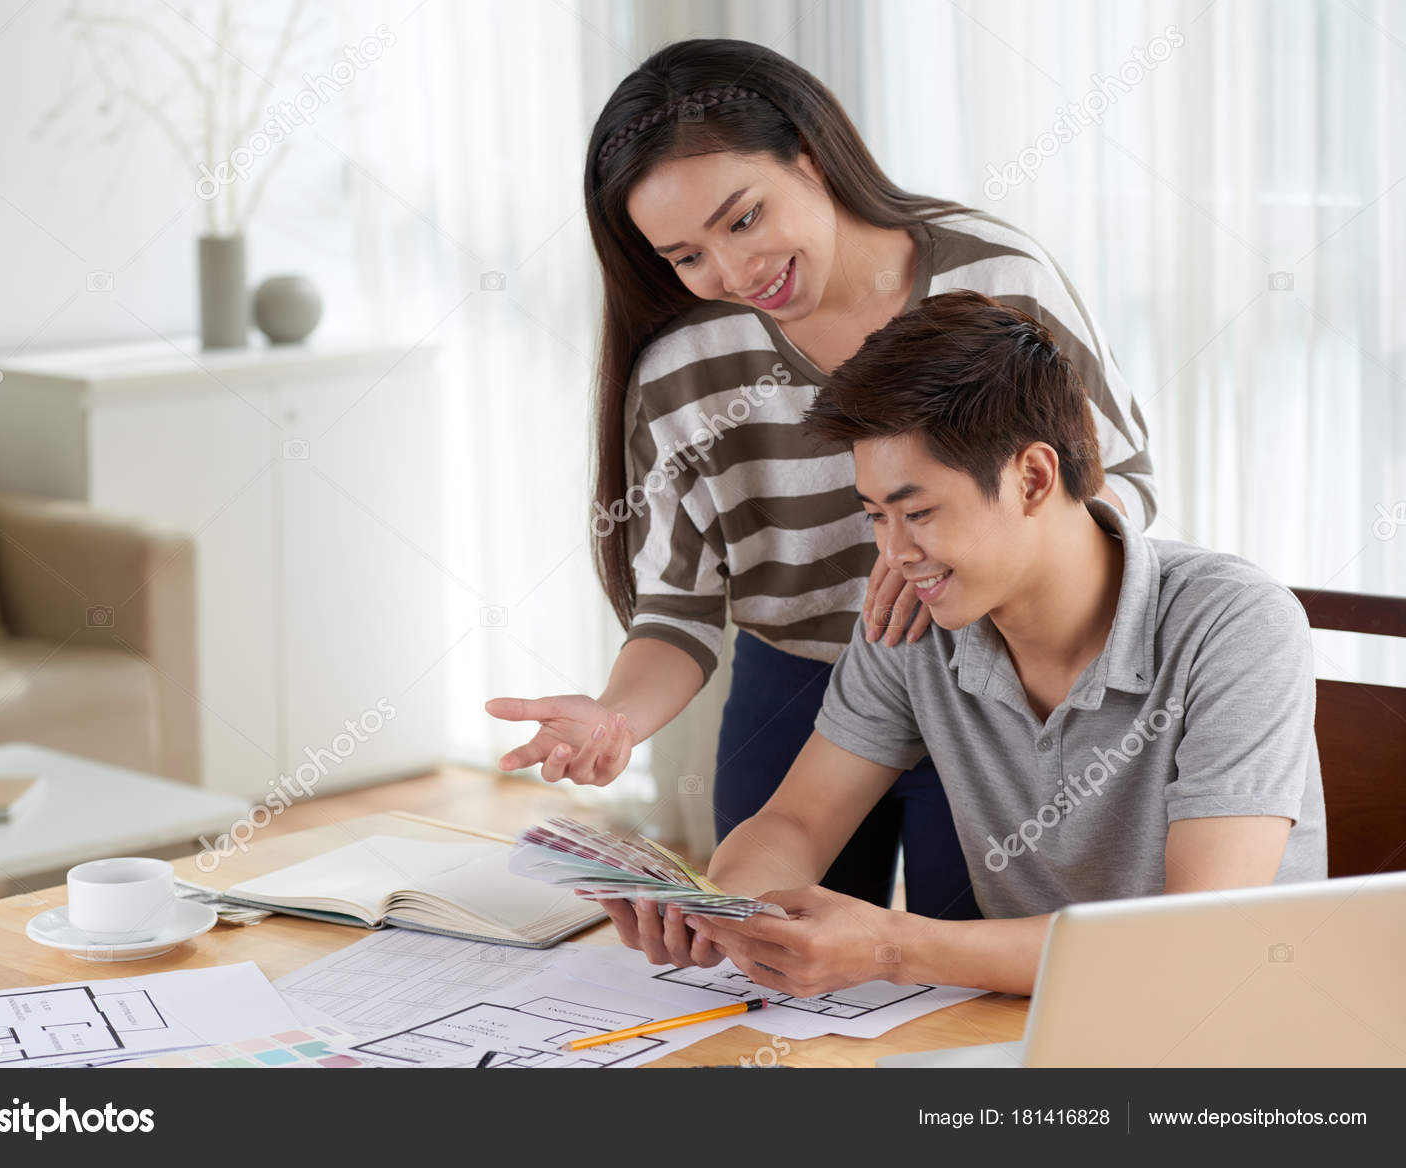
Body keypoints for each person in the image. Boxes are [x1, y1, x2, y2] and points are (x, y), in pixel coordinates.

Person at [486, 38, 1157, 921]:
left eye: (743, 219)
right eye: (685, 256)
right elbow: (679, 610)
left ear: (809, 155)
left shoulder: (994, 280)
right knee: (768, 958)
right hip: (791, 693)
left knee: (967, 977)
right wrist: (618, 717)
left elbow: (1122, 486)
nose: (732, 274)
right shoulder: (686, 363)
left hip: (990, 686)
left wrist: (955, 563)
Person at [599, 291, 1326, 996]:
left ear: (1033, 477)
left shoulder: (1236, 623)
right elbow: (797, 820)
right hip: (1030, 1026)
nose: (895, 552)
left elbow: (1193, 937)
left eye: (917, 512)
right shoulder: (918, 620)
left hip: (1234, 1035)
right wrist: (724, 911)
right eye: (876, 517)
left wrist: (893, 947)